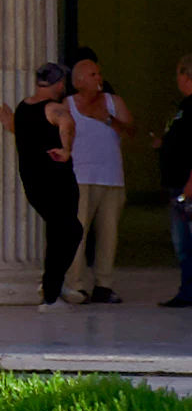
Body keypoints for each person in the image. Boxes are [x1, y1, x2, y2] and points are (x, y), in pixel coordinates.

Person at [8, 62, 82, 307]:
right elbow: (67, 123)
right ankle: (51, 292)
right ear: (59, 83)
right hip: (56, 180)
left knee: (59, 232)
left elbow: (19, 131)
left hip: (32, 181)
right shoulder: (54, 107)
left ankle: (52, 287)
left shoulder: (23, 108)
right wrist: (66, 149)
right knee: (71, 231)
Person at [67, 48, 131, 304]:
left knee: (108, 235)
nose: (98, 77)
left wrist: (109, 120)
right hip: (79, 177)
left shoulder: (114, 102)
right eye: (92, 74)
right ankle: (76, 285)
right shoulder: (67, 105)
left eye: (99, 73)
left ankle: (104, 284)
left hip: (111, 177)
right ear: (79, 81)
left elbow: (130, 131)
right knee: (77, 234)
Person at [163, 60, 192, 308]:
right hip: (179, 183)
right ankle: (187, 291)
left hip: (188, 186)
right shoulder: (183, 107)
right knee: (183, 244)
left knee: (185, 243)